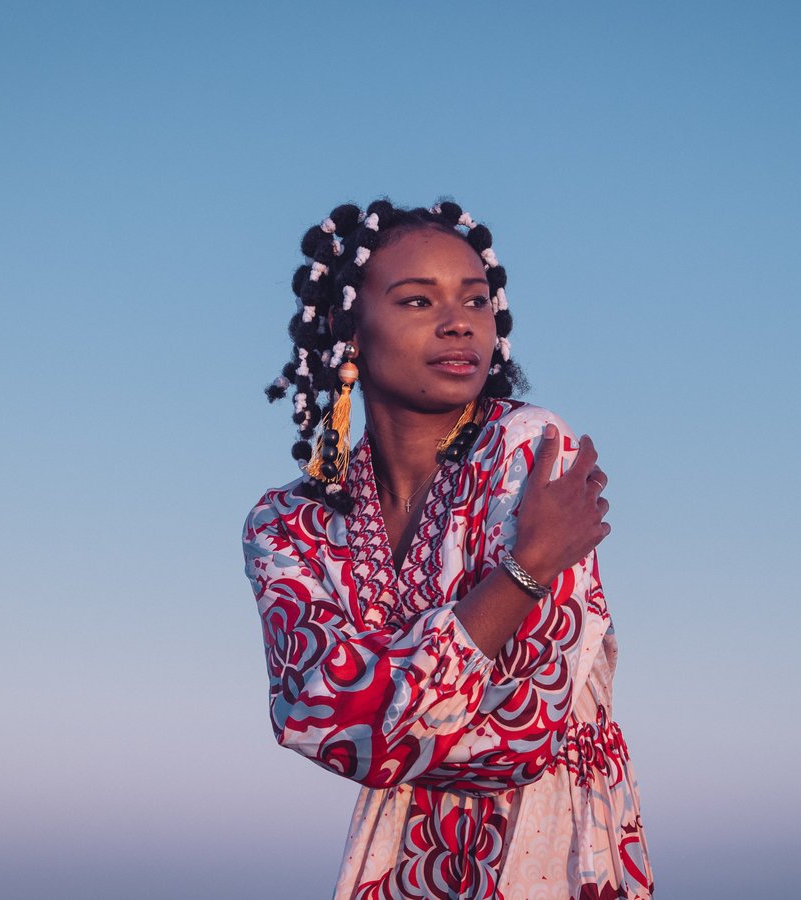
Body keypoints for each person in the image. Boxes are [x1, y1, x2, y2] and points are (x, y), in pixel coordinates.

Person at [242, 199, 653, 899]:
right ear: (350, 334)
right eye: (415, 300)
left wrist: (379, 708)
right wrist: (525, 572)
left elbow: (521, 730)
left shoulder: (531, 451)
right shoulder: (288, 524)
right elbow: (314, 719)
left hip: (553, 850)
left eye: (476, 300)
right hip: (397, 859)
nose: (460, 320)